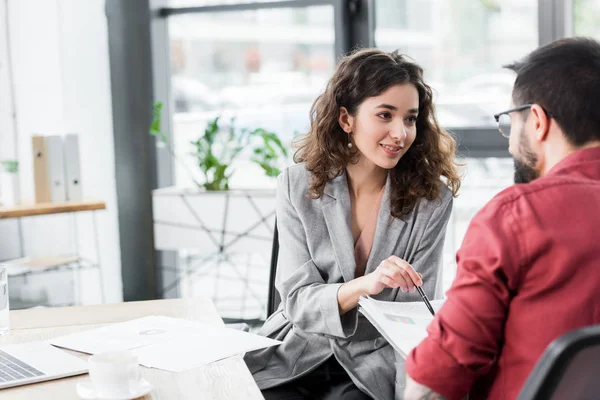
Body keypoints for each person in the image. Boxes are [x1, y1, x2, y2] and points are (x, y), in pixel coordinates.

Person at [244, 48, 461, 400]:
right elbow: (298, 303)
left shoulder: (431, 202)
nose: (400, 133)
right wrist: (366, 285)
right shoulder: (297, 186)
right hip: (298, 351)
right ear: (346, 119)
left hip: (372, 362)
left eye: (410, 118)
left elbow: (417, 315)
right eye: (385, 115)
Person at [404, 37, 600, 400]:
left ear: (537, 121)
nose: (511, 144)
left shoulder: (517, 216)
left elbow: (434, 382)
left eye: (511, 122)